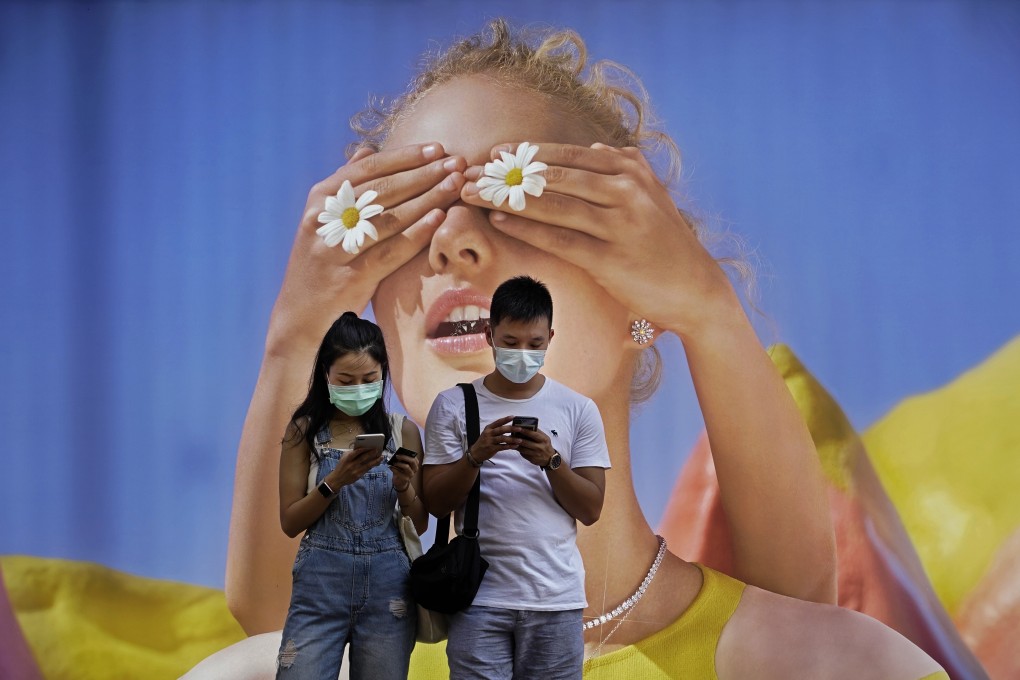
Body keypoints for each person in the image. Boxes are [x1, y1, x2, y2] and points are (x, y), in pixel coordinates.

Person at [215, 18, 949, 679]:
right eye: (407, 223)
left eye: (513, 200)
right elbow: (269, 624)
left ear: (643, 296)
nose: (450, 242)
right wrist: (295, 335)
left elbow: (800, 605)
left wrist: (706, 310)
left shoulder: (851, 665)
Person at [423, 275, 610, 679]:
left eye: (534, 344)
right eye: (510, 342)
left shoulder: (578, 409)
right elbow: (435, 503)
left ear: (550, 338)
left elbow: (591, 508)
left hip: (556, 600)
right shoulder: (454, 405)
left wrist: (551, 461)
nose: (522, 353)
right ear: (489, 334)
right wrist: (476, 455)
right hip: (478, 599)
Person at [274, 312, 427, 679]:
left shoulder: (402, 432)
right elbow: (290, 522)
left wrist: (405, 487)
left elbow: (419, 522)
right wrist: (334, 482)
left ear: (383, 375)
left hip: (388, 587)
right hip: (320, 587)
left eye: (368, 379)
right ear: (326, 376)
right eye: (346, 380)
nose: (358, 389)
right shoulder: (304, 431)